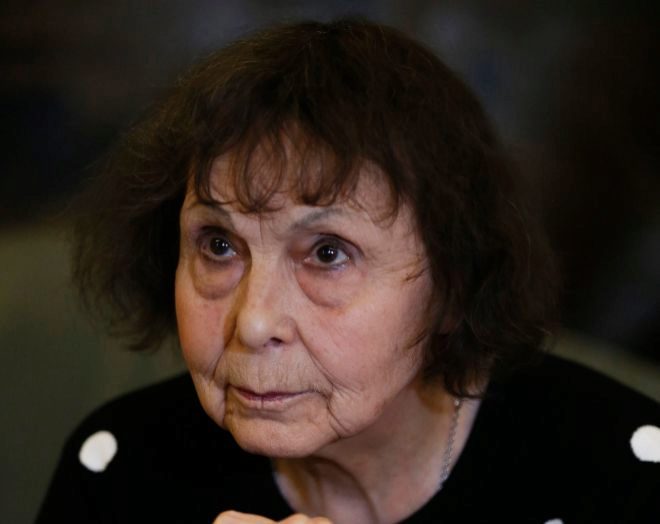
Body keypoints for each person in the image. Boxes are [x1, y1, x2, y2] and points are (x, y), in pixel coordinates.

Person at [37, 18, 659, 524]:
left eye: (328, 253)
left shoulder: (621, 472)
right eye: (219, 245)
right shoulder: (122, 472)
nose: (253, 322)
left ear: (454, 284)